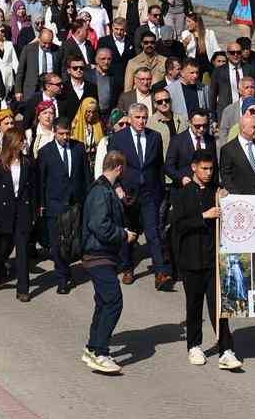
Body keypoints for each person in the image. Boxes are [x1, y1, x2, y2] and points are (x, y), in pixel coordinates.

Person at [171, 150, 242, 370]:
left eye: (211, 169)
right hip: (191, 260)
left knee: (219, 306)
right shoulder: (182, 194)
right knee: (193, 306)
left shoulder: (216, 192)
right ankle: (194, 345)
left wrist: (225, 200)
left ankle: (226, 349)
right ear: (194, 168)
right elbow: (178, 226)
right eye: (204, 168)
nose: (208, 173)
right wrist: (203, 216)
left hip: (213, 260)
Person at [80, 150, 136, 375]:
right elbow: (100, 225)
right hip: (98, 255)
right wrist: (123, 235)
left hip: (102, 255)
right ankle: (101, 352)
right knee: (113, 301)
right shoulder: (101, 192)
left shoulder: (106, 189)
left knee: (104, 301)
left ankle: (92, 347)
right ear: (120, 168)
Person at [107, 104, 172, 289]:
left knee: (153, 233)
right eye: (138, 118)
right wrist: (117, 187)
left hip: (149, 193)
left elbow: (159, 166)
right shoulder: (119, 138)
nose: (142, 121)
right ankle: (127, 267)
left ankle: (160, 273)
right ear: (130, 118)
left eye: (144, 118)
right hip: (127, 193)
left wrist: (160, 192)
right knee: (129, 233)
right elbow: (112, 166)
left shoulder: (155, 137)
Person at [38, 115, 89, 294]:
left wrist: (87, 200)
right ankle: (62, 277)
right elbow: (41, 181)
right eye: (61, 134)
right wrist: (42, 204)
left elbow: (86, 176)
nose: (65, 137)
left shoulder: (79, 148)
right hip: (55, 204)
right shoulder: (45, 152)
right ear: (54, 132)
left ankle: (67, 269)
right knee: (57, 244)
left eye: (68, 133)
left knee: (73, 243)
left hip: (75, 204)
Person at [0, 126, 37, 299]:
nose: (23, 143)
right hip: (4, 211)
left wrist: (34, 211)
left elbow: (33, 190)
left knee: (22, 251)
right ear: (12, 143)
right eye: (20, 140)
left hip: (22, 210)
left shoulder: (28, 163)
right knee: (4, 248)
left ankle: (23, 289)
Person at [218, 103, 255, 194]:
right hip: (241, 200)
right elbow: (226, 176)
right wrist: (238, 195)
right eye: (254, 127)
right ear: (243, 128)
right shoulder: (228, 149)